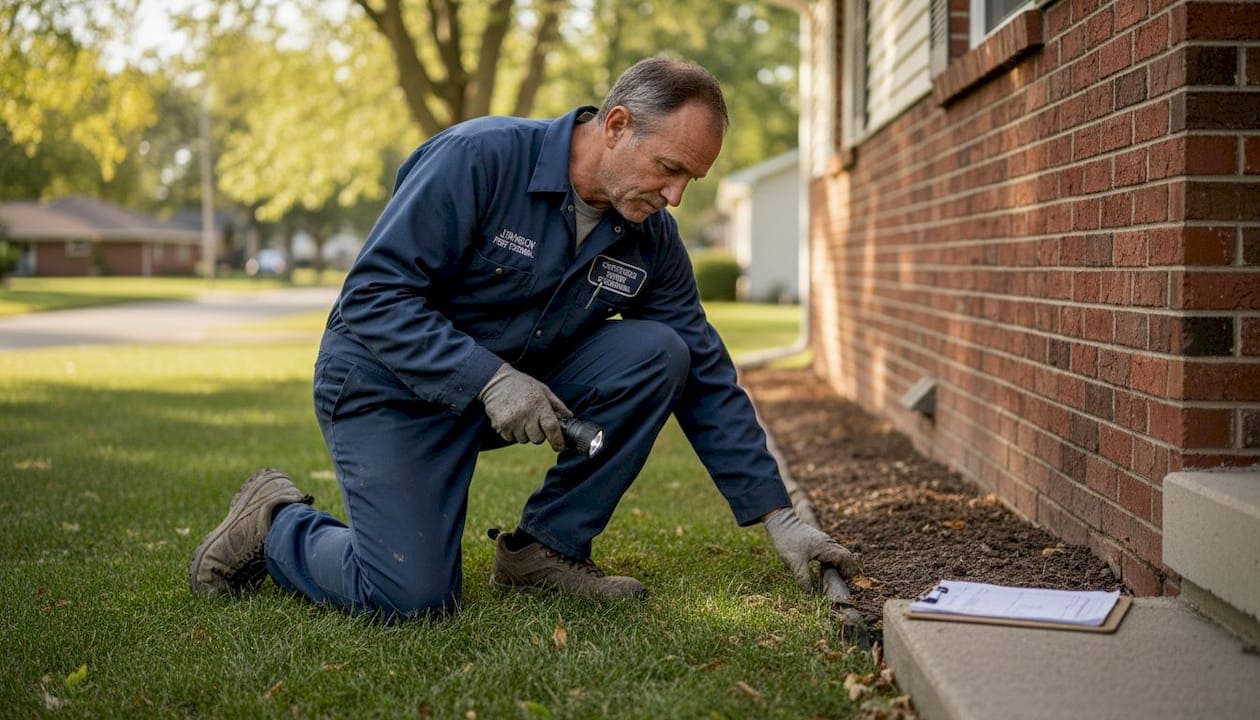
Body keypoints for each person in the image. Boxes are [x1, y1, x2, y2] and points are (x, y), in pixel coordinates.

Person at [189, 57, 859, 619]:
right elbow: (372, 298)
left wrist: (779, 516)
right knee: (410, 600)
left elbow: (707, 374)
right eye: (669, 167)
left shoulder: (650, 235)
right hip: (386, 387)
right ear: (617, 125)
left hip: (509, 390)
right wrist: (486, 377)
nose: (677, 196)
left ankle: (545, 550)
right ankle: (278, 523)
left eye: (692, 179)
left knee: (663, 352)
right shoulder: (476, 159)